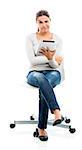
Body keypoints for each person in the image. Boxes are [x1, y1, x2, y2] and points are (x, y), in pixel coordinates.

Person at [25, 10, 65, 141]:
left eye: (46, 21)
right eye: (40, 22)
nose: (44, 25)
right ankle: (56, 111)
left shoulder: (57, 39)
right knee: (41, 79)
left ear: (50, 21)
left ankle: (41, 129)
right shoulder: (30, 38)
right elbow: (33, 61)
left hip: (54, 72)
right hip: (34, 72)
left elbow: (55, 66)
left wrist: (51, 59)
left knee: (45, 82)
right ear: (36, 23)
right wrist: (50, 58)